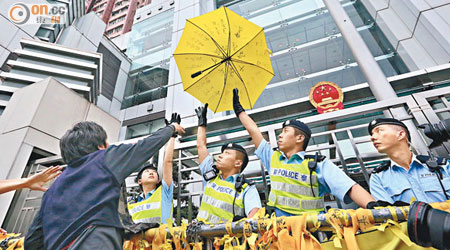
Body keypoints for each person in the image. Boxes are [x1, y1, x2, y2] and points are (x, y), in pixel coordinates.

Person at [25, 115, 185, 250]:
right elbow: (145, 146)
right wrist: (171, 128)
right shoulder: (104, 159)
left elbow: (32, 241)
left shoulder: (53, 189)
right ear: (100, 146)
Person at [232, 89, 374, 216]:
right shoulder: (273, 158)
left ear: (300, 138)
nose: (280, 135)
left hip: (312, 232)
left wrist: (374, 207)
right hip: (282, 232)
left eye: (285, 132)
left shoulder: (317, 163)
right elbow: (254, 131)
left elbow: (349, 187)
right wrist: (240, 112)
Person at [195, 103, 261, 223]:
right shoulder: (211, 177)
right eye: (222, 153)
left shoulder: (246, 188)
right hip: (202, 240)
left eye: (227, 154)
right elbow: (201, 146)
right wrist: (202, 124)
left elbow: (255, 212)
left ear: (237, 163)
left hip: (228, 240)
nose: (220, 156)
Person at [368, 118, 450, 204]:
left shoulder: (442, 165)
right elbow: (386, 214)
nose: (372, 138)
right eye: (372, 134)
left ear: (401, 134)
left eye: (379, 131)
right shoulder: (378, 177)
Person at [128, 115, 179, 225]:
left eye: (154, 172)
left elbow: (168, 162)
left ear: (157, 180)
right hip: (138, 242)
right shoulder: (132, 202)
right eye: (147, 172)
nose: (151, 172)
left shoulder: (164, 192)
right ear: (139, 181)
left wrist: (172, 134)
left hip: (163, 241)